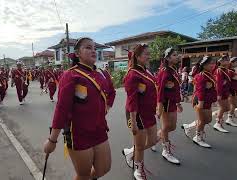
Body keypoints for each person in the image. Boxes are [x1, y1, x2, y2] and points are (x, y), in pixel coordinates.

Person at [43, 37, 114, 180]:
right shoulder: (70, 75)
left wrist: (106, 107)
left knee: (104, 168)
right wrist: (52, 140)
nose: (93, 50)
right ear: (77, 53)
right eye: (88, 47)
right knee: (83, 174)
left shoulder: (102, 73)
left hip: (99, 130)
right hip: (78, 134)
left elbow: (111, 92)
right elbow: (61, 109)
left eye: (94, 48)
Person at [122, 44, 158, 180]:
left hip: (149, 112)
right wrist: (134, 122)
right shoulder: (132, 75)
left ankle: (131, 152)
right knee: (141, 145)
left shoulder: (146, 71)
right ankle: (138, 168)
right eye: (146, 54)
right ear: (137, 57)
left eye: (149, 53)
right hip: (136, 114)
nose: (149, 56)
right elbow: (132, 101)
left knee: (153, 140)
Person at [182, 56, 217, 148]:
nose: (212, 65)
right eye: (209, 63)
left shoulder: (209, 74)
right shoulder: (202, 75)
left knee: (207, 119)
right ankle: (198, 137)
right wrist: (200, 103)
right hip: (201, 101)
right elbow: (200, 90)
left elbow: (212, 89)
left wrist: (213, 100)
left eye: (212, 63)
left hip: (207, 100)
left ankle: (188, 127)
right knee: (203, 120)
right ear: (204, 65)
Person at [156, 47, 182, 165]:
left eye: (177, 54)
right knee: (167, 127)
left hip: (173, 102)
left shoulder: (173, 69)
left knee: (172, 127)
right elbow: (160, 90)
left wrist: (178, 103)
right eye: (174, 55)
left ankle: (156, 137)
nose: (177, 56)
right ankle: (166, 151)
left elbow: (175, 88)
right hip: (166, 103)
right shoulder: (165, 71)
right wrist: (159, 107)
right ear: (167, 58)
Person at [213, 55, 231, 133]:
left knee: (226, 108)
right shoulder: (219, 70)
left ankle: (217, 115)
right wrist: (219, 94)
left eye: (227, 60)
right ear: (220, 61)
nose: (227, 61)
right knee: (223, 108)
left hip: (225, 92)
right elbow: (219, 84)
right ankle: (218, 123)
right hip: (221, 92)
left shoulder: (225, 70)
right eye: (224, 60)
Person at [226, 57, 237, 127]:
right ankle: (229, 119)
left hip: (234, 90)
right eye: (236, 62)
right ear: (232, 63)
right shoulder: (229, 71)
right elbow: (227, 82)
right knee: (233, 104)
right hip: (231, 90)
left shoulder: (232, 71)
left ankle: (230, 116)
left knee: (234, 104)